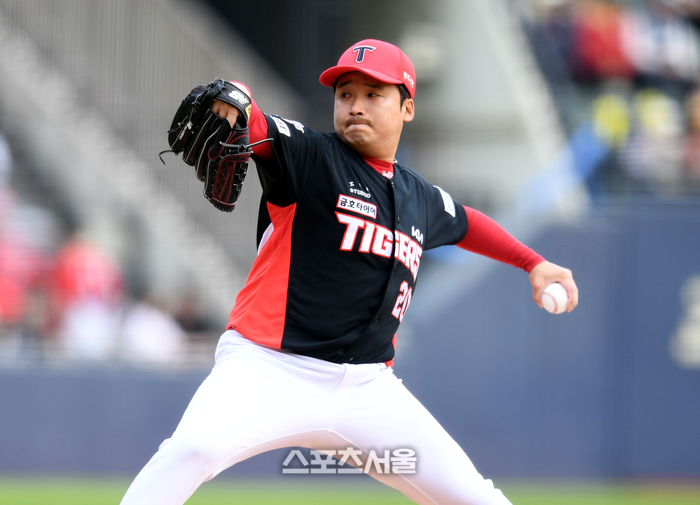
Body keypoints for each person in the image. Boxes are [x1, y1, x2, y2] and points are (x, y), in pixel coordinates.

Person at [121, 39, 578, 505]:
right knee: (193, 450)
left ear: (407, 108)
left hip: (367, 391)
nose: (355, 106)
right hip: (268, 369)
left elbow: (467, 222)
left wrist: (533, 262)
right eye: (345, 95)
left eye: (373, 94)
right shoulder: (310, 156)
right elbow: (257, 121)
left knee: (474, 497)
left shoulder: (420, 198)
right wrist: (236, 96)